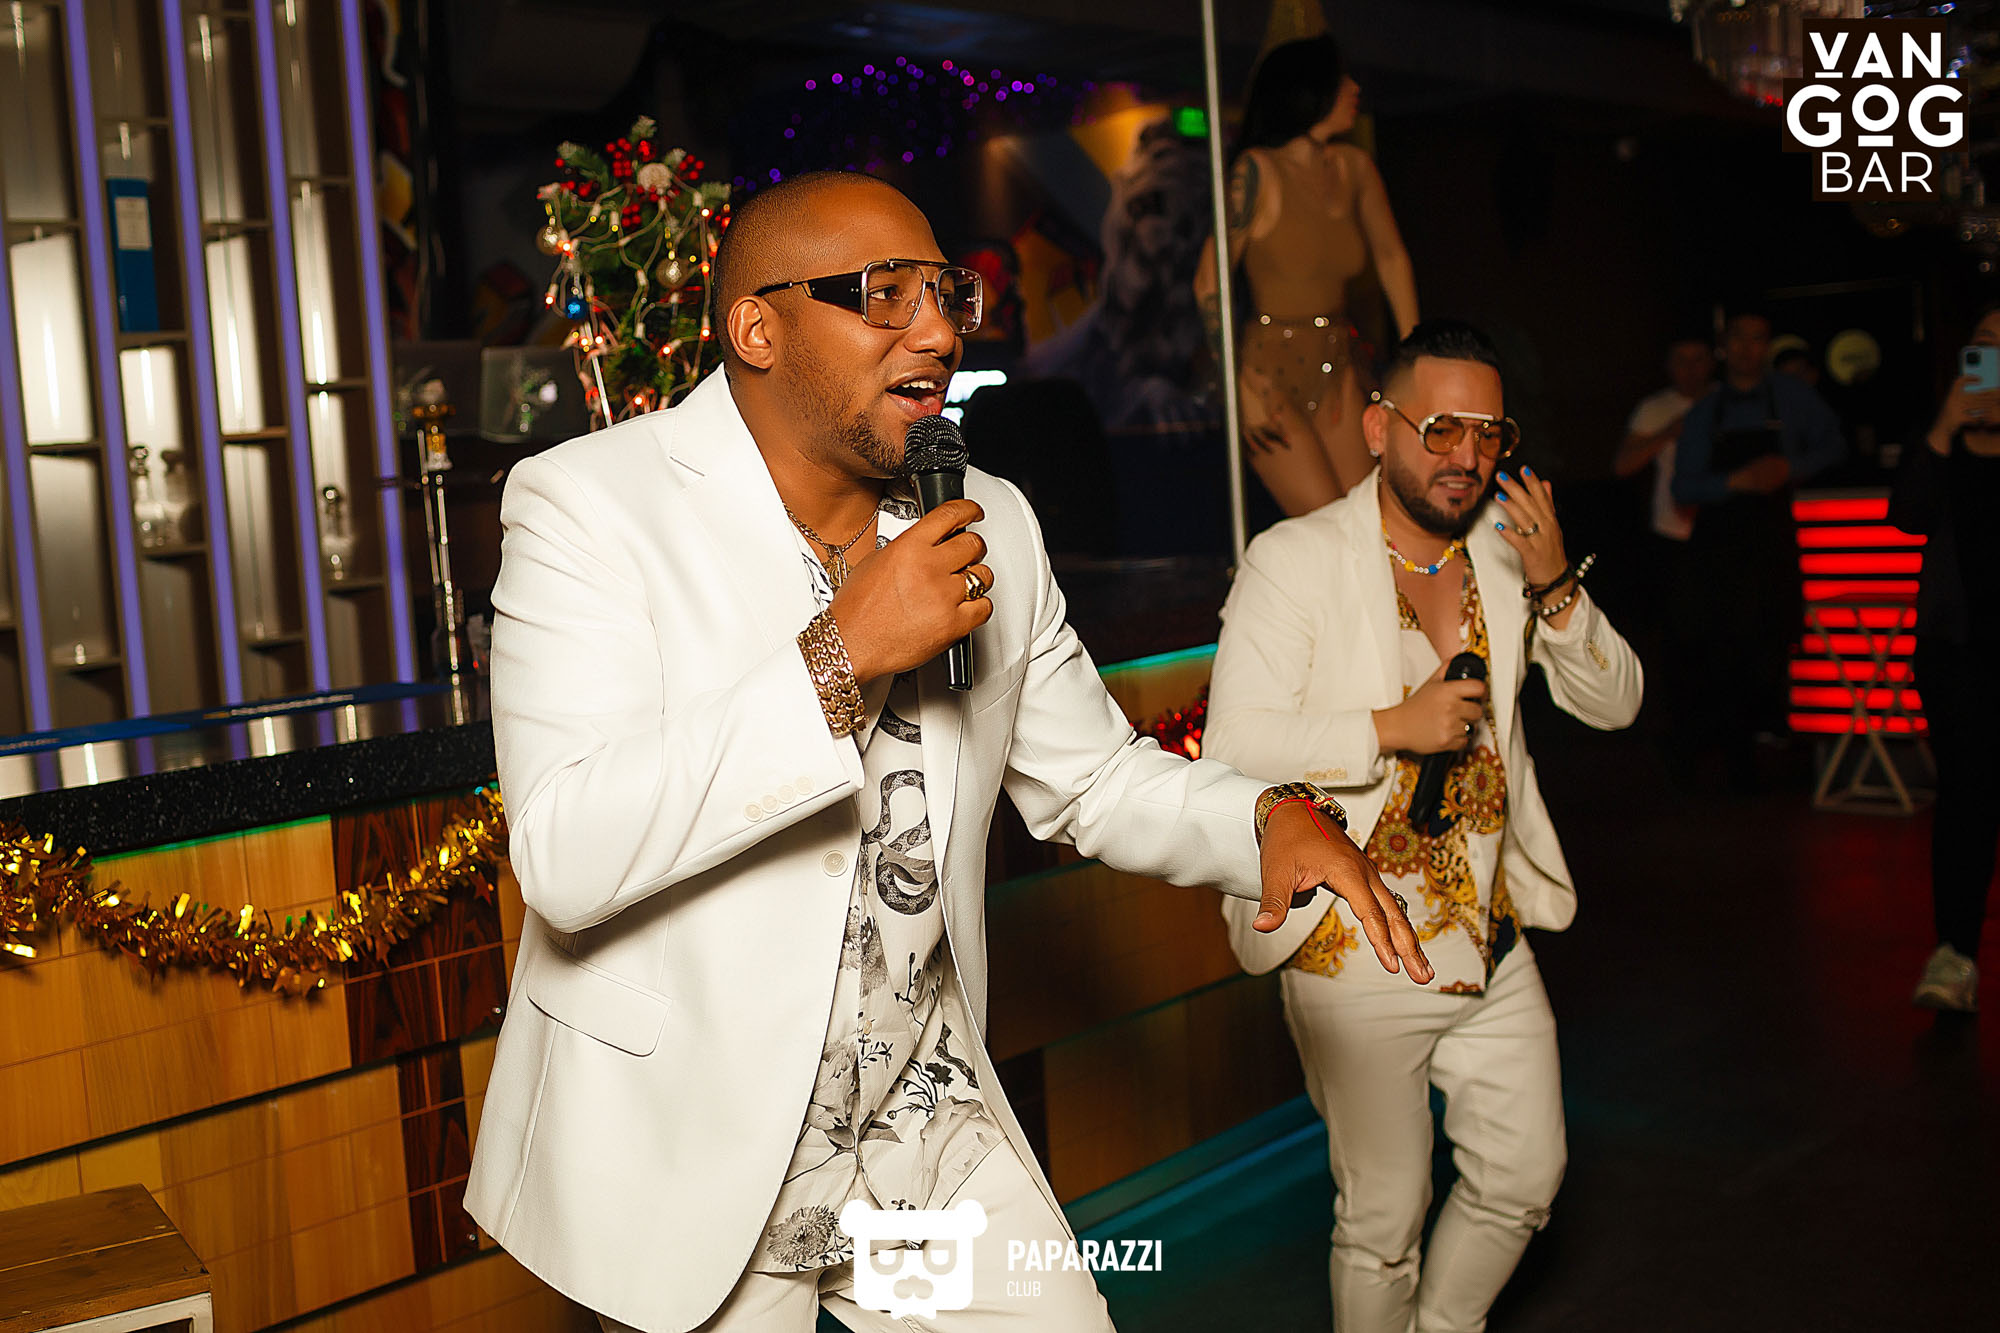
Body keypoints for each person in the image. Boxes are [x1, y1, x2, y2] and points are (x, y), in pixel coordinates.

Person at [462, 170, 1434, 1333]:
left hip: (918, 1125)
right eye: (885, 295)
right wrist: (840, 654)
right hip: (697, 1139)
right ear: (757, 329)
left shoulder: (989, 518)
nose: (935, 333)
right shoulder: (590, 507)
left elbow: (1093, 778)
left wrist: (1259, 817)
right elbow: (567, 851)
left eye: (944, 295)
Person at [1203, 320, 1642, 1333]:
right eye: (1442, 427)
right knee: (1383, 1220)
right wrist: (1388, 727)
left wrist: (1555, 582)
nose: (1466, 455)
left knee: (1524, 1179)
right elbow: (1236, 744)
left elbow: (1616, 704)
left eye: (1489, 434)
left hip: (1488, 940)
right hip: (1354, 949)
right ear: (1377, 427)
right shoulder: (1294, 559)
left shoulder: (1504, 553)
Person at [1194, 33, 1419, 517]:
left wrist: (1416, 356)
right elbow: (1209, 282)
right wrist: (1237, 389)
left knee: (1367, 519)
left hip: (1338, 360)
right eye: (1341, 79)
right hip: (1268, 372)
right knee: (1326, 522)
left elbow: (1392, 258)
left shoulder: (1355, 168)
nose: (1355, 88)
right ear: (1308, 90)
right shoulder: (1257, 172)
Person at [1669, 310, 1845, 786]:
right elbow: (1682, 486)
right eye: (1739, 339)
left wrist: (1791, 467)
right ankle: (1733, 761)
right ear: (1725, 346)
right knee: (1719, 654)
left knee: (1772, 646)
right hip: (1720, 553)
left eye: (1758, 339)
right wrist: (1735, 481)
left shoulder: (1792, 397)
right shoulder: (1706, 410)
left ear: (1767, 345)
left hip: (1771, 545)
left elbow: (1835, 445)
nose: (1748, 348)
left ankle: (1774, 750)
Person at [1891, 301, 2000, 1013]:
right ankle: (1954, 955)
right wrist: (1944, 427)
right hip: (1956, 650)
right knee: (1965, 797)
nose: (1992, 358)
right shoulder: (1942, 439)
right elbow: (1906, 514)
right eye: (1985, 343)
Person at [1614, 336, 1713, 550]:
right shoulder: (1654, 408)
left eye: (1698, 359)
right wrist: (1669, 432)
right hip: (1670, 527)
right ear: (1669, 364)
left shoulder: (1727, 400)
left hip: (1723, 523)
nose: (1690, 369)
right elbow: (1622, 465)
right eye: (1682, 360)